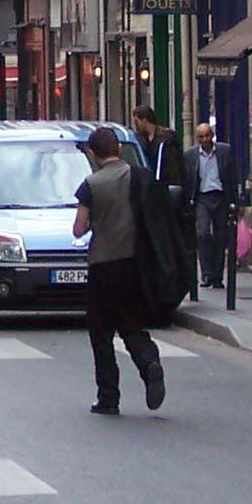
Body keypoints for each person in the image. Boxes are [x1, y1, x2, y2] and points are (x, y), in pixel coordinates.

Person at [73, 127, 165, 416]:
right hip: (133, 262)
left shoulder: (91, 184)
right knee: (132, 325)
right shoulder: (139, 177)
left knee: (101, 333)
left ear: (92, 153)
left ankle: (108, 397)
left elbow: (79, 229)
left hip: (103, 263)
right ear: (120, 149)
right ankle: (149, 362)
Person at [131, 104, 192, 293]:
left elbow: (175, 169)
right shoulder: (138, 141)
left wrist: (172, 192)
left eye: (136, 121)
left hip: (164, 197)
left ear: (144, 119)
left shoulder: (167, 138)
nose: (135, 126)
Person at [189, 122, 244, 291]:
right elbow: (187, 179)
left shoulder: (225, 151)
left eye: (207, 135)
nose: (205, 139)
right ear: (197, 138)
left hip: (221, 196)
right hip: (202, 198)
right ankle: (206, 273)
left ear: (212, 135)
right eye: (201, 136)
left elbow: (233, 177)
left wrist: (237, 202)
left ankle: (217, 277)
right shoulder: (190, 155)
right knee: (203, 233)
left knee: (221, 237)